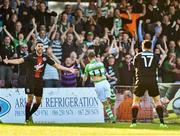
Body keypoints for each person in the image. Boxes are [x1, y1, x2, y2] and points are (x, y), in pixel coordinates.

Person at [3, 42, 77, 123]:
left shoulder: (45, 57)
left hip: (39, 81)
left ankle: (29, 115)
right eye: (39, 46)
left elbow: (57, 66)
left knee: (38, 102)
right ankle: (27, 119)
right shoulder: (30, 56)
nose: (40, 47)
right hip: (30, 81)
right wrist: (8, 61)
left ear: (43, 48)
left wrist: (69, 69)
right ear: (35, 48)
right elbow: (19, 61)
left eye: (42, 46)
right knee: (30, 99)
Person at [130, 40, 167, 128]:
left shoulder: (138, 56)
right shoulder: (155, 56)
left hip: (141, 81)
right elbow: (158, 66)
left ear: (142, 47)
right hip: (152, 80)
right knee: (157, 101)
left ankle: (133, 123)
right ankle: (162, 123)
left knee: (135, 101)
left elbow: (135, 67)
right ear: (150, 47)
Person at [83, 50, 116, 123]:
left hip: (97, 84)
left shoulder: (88, 66)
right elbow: (105, 73)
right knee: (110, 98)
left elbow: (85, 78)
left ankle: (112, 117)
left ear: (88, 58)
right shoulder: (101, 63)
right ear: (95, 56)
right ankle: (112, 99)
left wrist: (83, 79)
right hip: (105, 82)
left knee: (105, 103)